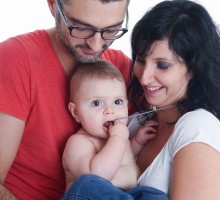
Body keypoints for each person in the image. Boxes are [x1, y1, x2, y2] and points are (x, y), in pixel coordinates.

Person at [63, 0, 220, 199]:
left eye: (163, 65)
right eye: (140, 60)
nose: (144, 77)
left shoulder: (198, 126)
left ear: (194, 68)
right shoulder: (136, 123)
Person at [0, 0, 131, 199]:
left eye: (111, 30)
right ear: (53, 5)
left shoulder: (118, 68)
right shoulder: (15, 59)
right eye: (81, 28)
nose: (96, 45)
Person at [61, 60, 168, 199]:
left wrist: (136, 142)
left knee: (154, 196)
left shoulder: (119, 137)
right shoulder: (79, 142)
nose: (110, 111)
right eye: (97, 103)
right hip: (93, 196)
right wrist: (119, 138)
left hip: (127, 194)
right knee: (87, 185)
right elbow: (96, 178)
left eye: (117, 102)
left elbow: (122, 160)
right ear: (76, 112)